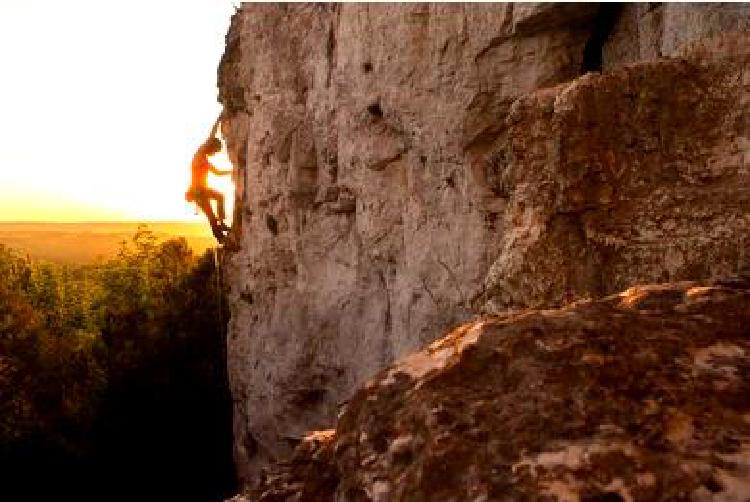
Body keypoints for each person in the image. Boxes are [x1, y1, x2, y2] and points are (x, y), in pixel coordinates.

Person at [186, 117, 233, 242]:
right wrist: (218, 120)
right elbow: (211, 135)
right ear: (211, 148)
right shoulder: (199, 154)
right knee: (211, 214)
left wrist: (233, 171)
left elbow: (218, 173)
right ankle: (220, 237)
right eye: (215, 151)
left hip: (202, 189)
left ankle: (221, 223)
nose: (215, 154)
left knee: (220, 197)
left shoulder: (206, 161)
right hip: (197, 192)